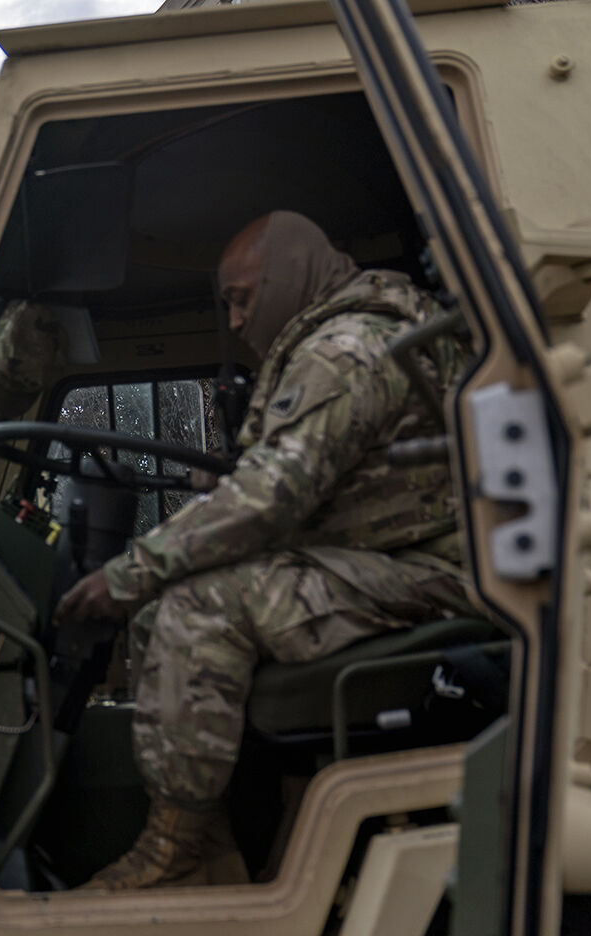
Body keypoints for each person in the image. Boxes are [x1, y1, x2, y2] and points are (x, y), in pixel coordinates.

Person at [55, 211, 477, 891]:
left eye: (243, 298)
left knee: (199, 605)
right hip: (387, 561)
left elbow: (270, 498)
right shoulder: (351, 336)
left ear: (289, 275)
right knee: (170, 604)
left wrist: (129, 574)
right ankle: (214, 845)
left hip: (431, 574)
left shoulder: (345, 350)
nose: (237, 320)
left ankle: (178, 852)